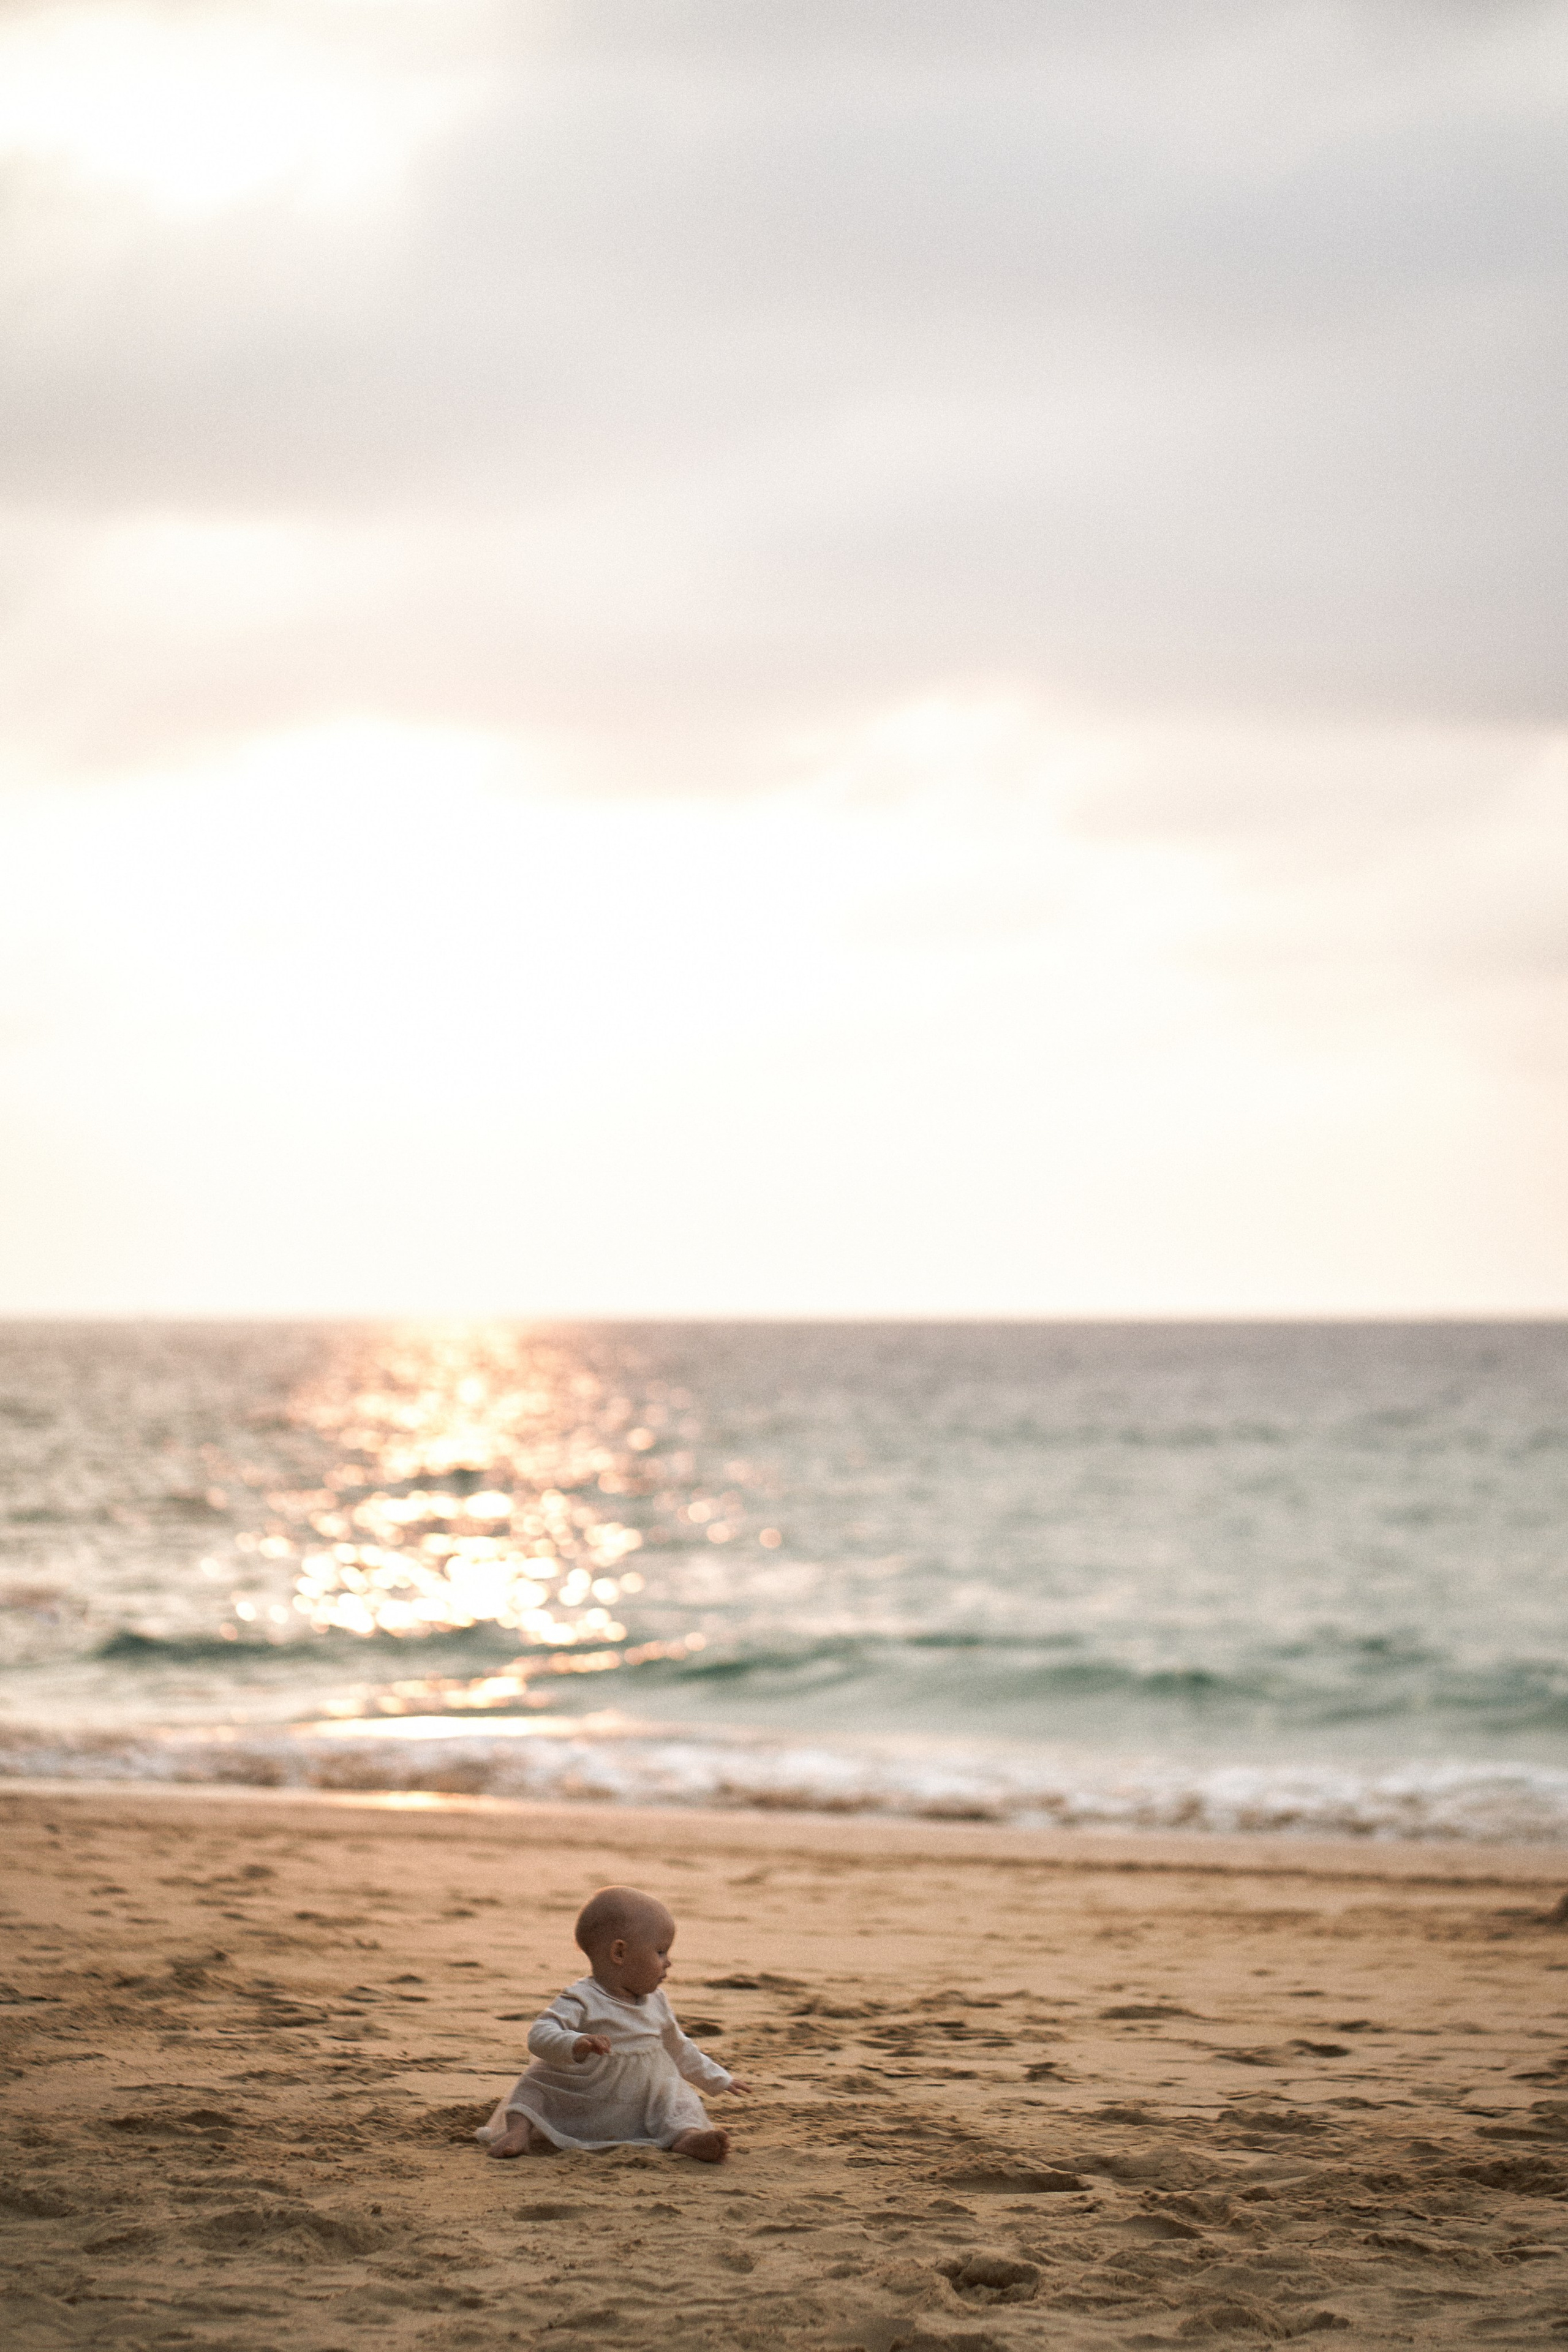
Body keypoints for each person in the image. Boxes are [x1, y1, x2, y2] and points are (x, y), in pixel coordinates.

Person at [477, 1884, 752, 2163]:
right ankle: (518, 2133)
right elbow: (540, 2035)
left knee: (679, 2101)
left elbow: (679, 2048)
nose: (668, 1962)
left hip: (642, 2095)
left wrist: (718, 2079)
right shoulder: (582, 1998)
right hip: (587, 2090)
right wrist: (574, 2042)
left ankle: (687, 2138)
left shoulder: (657, 2002)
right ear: (619, 1953)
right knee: (533, 2086)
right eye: (660, 1952)